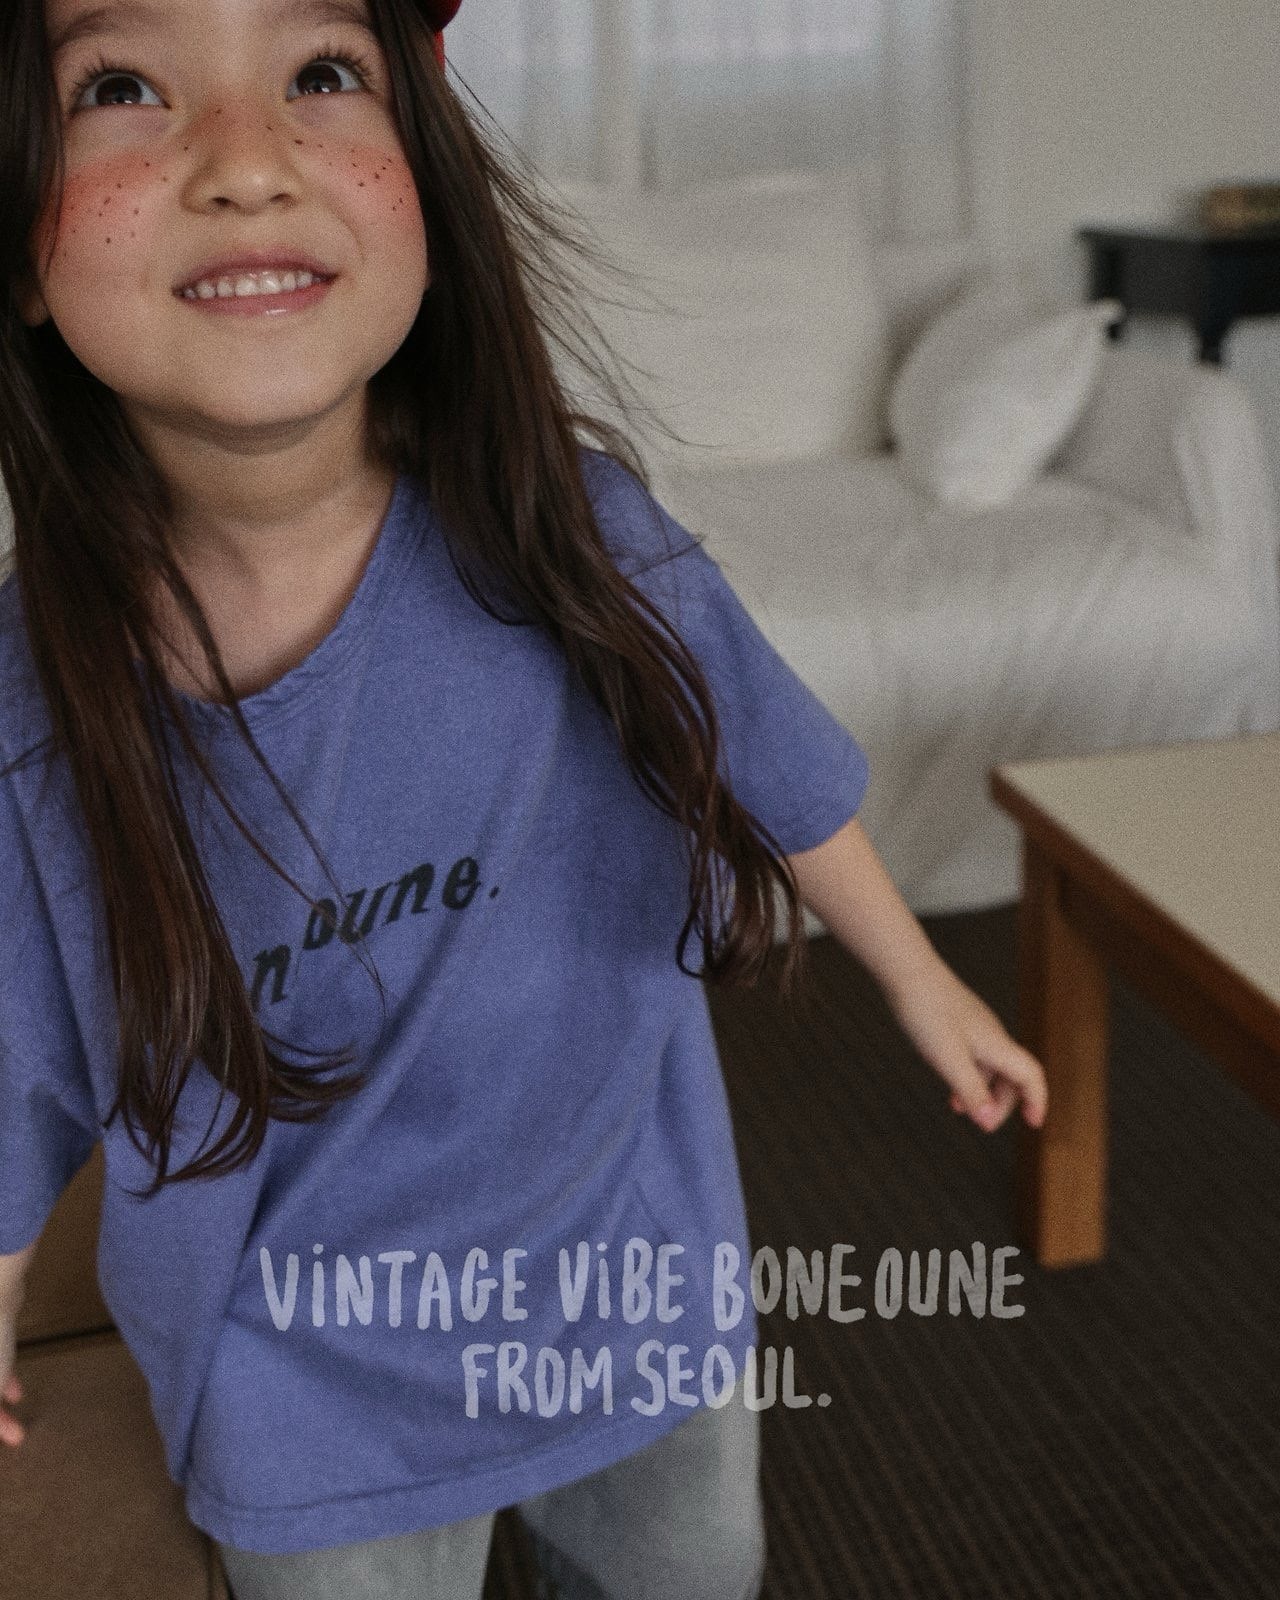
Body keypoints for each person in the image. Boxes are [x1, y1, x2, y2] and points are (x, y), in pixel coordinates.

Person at [0, 0, 1048, 1596]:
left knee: (689, 1572)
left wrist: (922, 978)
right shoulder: (34, 696)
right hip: (303, 1374)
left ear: (428, 181)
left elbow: (765, 750)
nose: (246, 160)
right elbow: (16, 1035)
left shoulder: (569, 529)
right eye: (122, 85)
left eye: (322, 72)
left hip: (627, 1272)